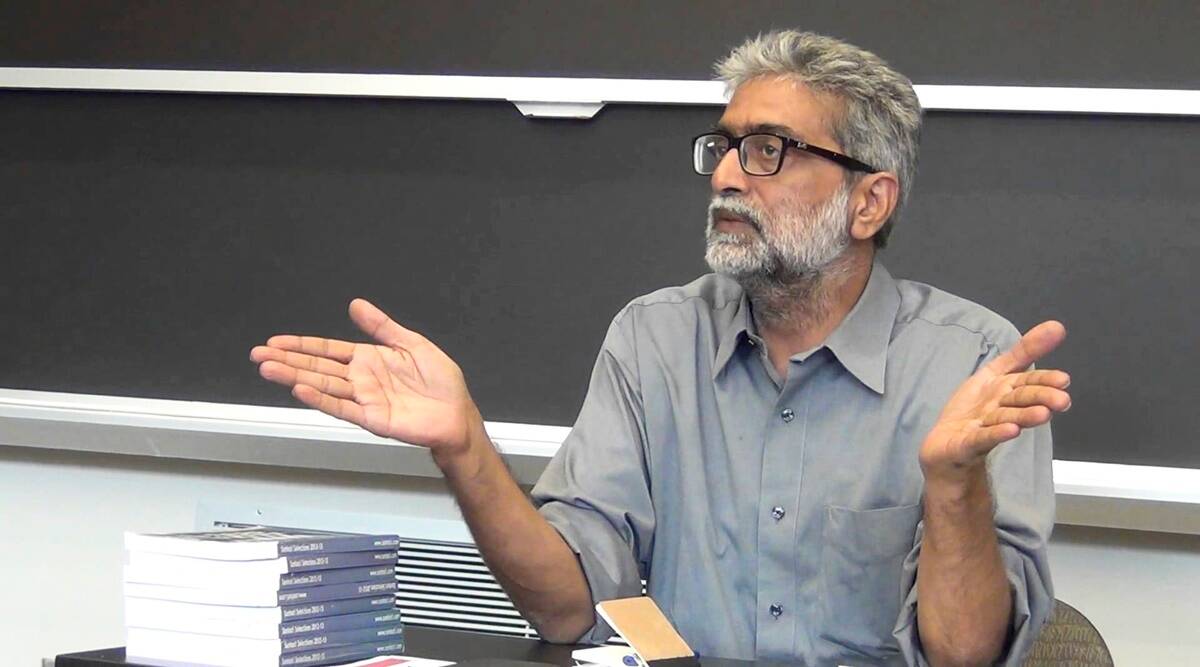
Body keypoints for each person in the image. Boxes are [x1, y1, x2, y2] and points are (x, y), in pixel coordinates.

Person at [250, 30, 1070, 667]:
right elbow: (566, 608)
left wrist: (953, 485)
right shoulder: (654, 338)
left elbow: (966, 655)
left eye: (769, 150)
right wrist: (464, 447)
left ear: (869, 203)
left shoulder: (974, 364)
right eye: (725, 146)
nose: (726, 177)